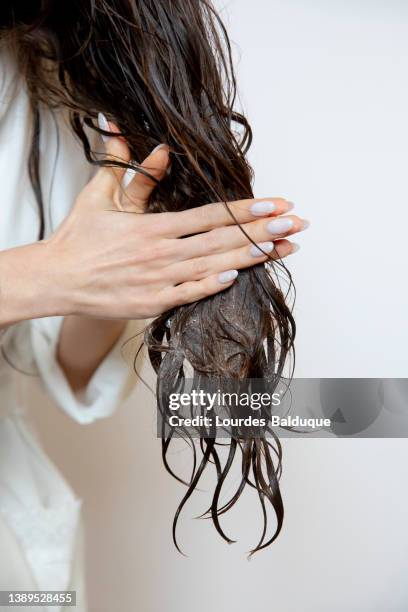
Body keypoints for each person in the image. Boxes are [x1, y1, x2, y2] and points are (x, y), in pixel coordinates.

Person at [0, 1, 308, 608]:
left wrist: (110, 277)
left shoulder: (35, 68)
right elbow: (37, 281)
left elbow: (60, 364)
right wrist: (43, 275)